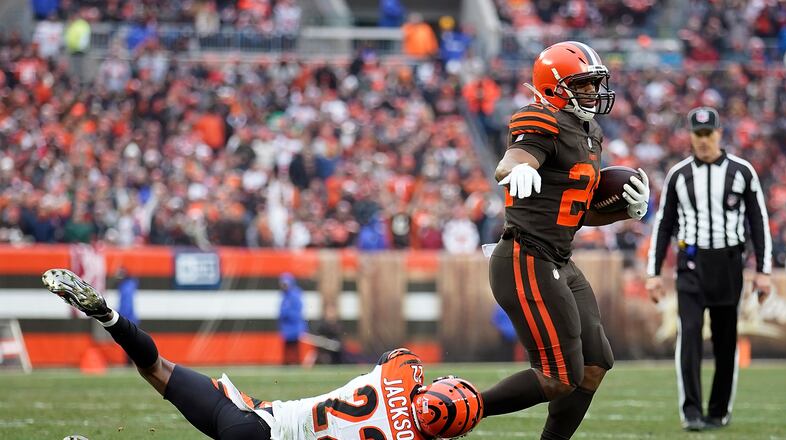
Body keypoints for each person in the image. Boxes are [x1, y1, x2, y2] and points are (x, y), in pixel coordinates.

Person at [42, 268, 484, 440]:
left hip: (251, 418)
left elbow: (399, 356)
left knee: (156, 369)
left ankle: (109, 318)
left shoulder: (403, 372)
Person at [481, 41, 650, 440]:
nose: (594, 92)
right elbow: (513, 159)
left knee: (596, 362)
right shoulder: (541, 117)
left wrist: (625, 210)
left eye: (596, 83)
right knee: (559, 377)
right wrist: (517, 169)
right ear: (555, 87)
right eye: (585, 84)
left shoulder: (589, 131)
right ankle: (451, 407)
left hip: (558, 258)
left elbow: (580, 211)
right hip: (525, 254)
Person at [645, 106, 772, 431]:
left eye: (708, 133)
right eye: (697, 134)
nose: (702, 140)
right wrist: (654, 273)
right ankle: (691, 411)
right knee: (688, 335)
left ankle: (718, 410)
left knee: (725, 340)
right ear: (690, 135)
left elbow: (758, 221)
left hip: (729, 263)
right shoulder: (679, 174)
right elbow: (664, 224)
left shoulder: (742, 172)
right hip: (691, 264)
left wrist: (764, 271)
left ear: (718, 133)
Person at [278, 272, 306, 365]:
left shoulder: (294, 295)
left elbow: (297, 313)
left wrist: (286, 313)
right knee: (288, 350)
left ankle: (294, 364)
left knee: (294, 350)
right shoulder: (285, 296)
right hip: (287, 328)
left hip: (294, 328)